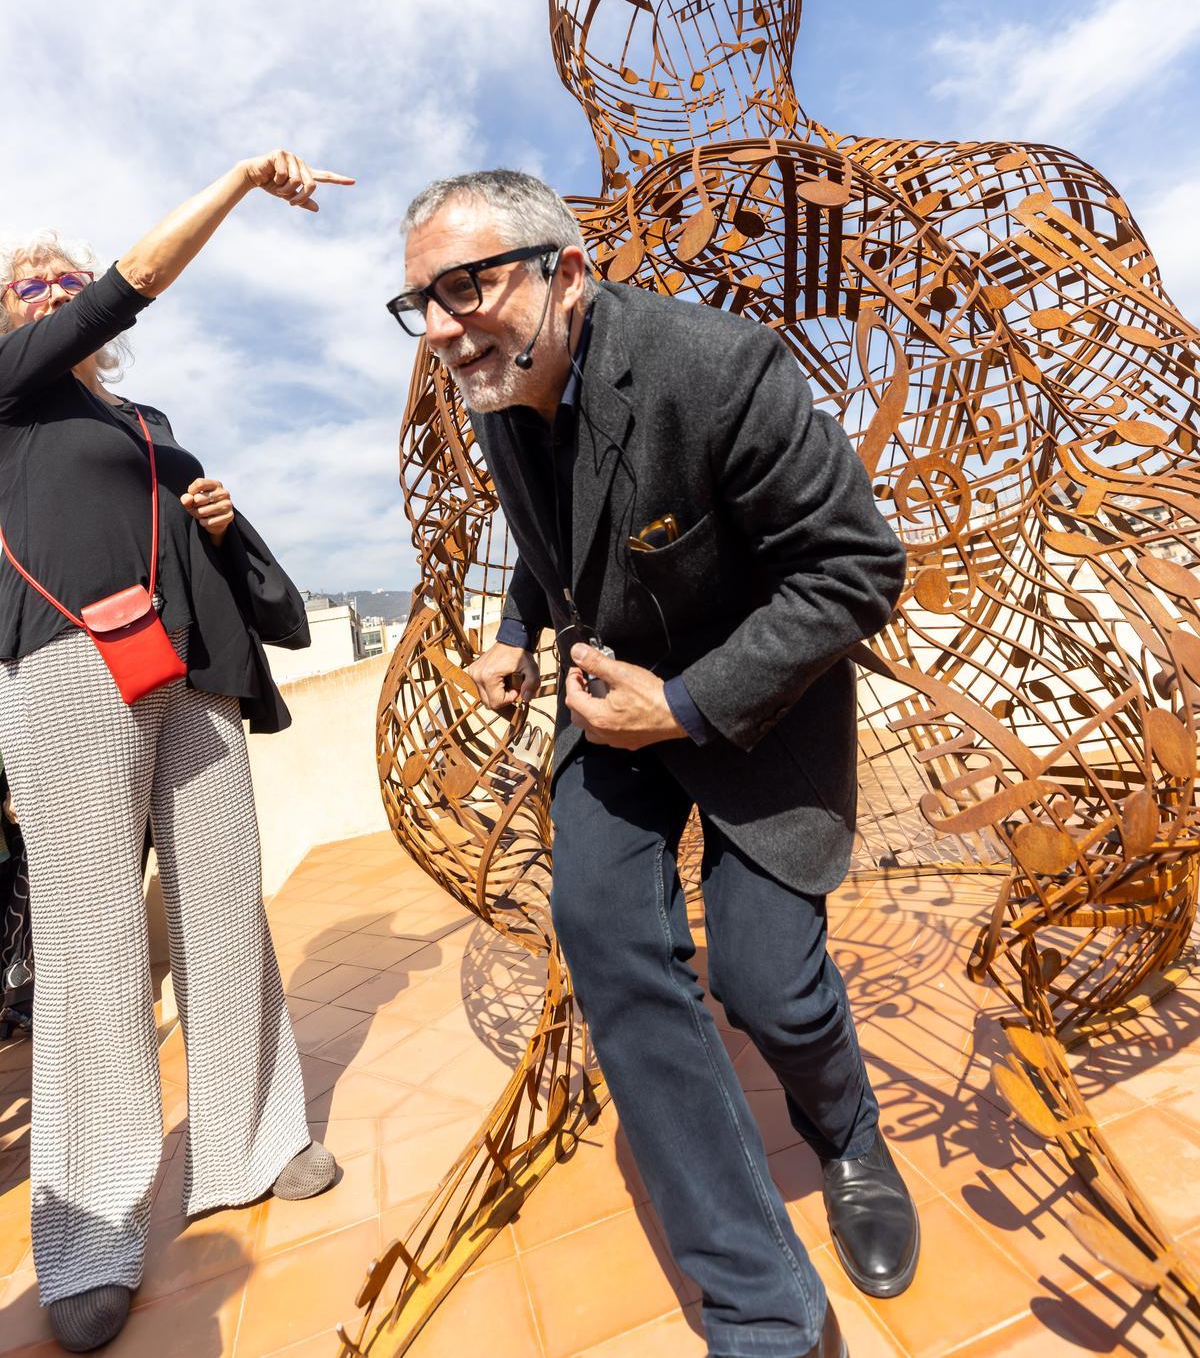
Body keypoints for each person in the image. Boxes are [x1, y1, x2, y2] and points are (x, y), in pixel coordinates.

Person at [392, 169, 918, 1358]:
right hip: (609, 711)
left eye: (464, 286)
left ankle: (848, 1134)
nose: (438, 325)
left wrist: (682, 704)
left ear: (563, 272)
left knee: (769, 985)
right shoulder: (498, 395)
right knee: (607, 938)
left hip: (751, 708)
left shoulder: (718, 369)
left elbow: (856, 570)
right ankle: (763, 1308)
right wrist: (521, 631)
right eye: (419, 299)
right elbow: (556, 539)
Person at [0, 151, 353, 1354]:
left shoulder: (147, 423)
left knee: (220, 909)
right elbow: (129, 281)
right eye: (31, 281)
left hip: (188, 670)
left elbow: (227, 558)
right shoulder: (8, 389)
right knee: (93, 940)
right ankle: (92, 1230)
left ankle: (254, 1142)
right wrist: (239, 179)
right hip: (63, 667)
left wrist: (216, 508)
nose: (52, 291)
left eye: (58, 277)